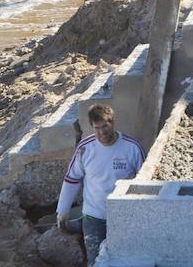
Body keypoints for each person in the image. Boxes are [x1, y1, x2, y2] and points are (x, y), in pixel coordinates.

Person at [56, 104, 145, 265]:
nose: (102, 132)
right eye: (97, 128)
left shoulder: (132, 147)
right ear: (92, 126)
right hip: (93, 216)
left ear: (113, 122)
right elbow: (72, 179)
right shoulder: (85, 149)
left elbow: (146, 181)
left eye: (105, 126)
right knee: (95, 261)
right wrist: (62, 211)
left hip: (123, 216)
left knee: (124, 260)